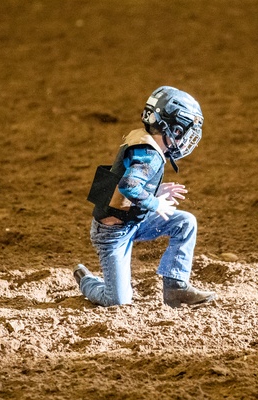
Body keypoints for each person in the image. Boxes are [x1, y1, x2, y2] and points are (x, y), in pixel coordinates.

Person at [73, 86, 217, 307]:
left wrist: (155, 192)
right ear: (173, 129)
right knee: (117, 300)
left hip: (132, 220)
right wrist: (155, 201)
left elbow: (124, 184)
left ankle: (176, 288)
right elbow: (129, 186)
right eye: (183, 132)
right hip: (113, 233)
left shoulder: (142, 142)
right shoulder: (149, 155)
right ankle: (87, 282)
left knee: (185, 222)